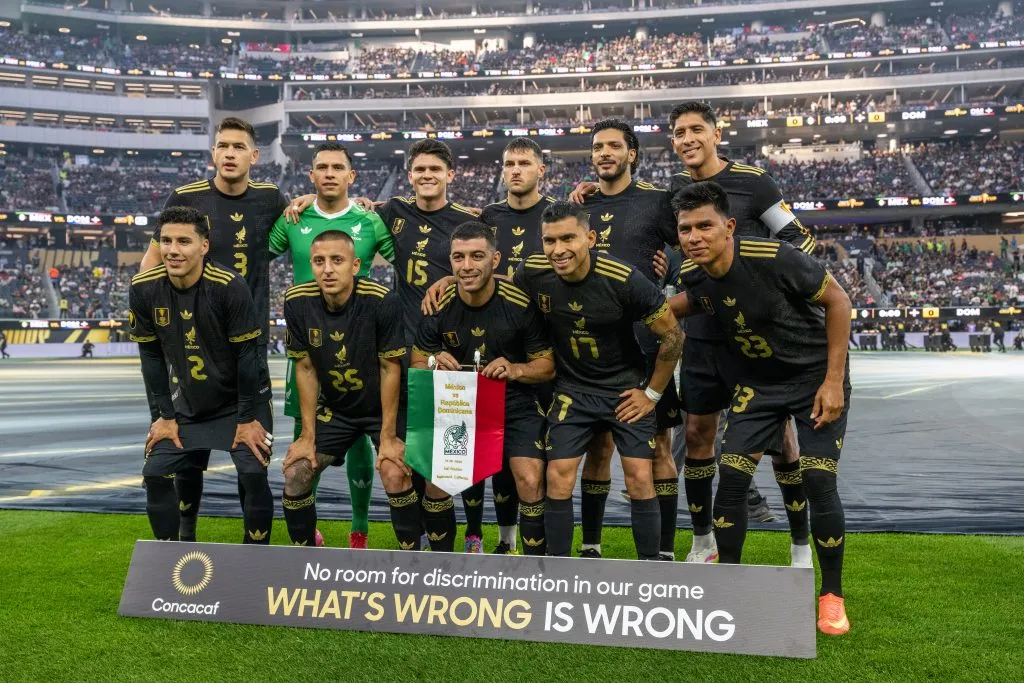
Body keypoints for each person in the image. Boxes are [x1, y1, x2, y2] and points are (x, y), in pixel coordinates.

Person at [668, 182, 852, 635]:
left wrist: (833, 381)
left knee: (818, 478)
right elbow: (683, 305)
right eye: (686, 229)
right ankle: (730, 589)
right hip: (758, 385)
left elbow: (839, 300)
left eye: (705, 226)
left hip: (813, 379)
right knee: (731, 476)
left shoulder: (776, 257)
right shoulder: (695, 274)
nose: (694, 237)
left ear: (729, 226)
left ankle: (831, 596)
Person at [667, 101, 820, 563]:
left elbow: (800, 238)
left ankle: (799, 545)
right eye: (679, 132)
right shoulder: (673, 190)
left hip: (754, 339)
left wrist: (758, 281)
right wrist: (591, 190)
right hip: (701, 334)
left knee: (782, 443)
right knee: (698, 435)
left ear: (716, 134)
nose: (688, 139)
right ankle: (703, 543)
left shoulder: (754, 182)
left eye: (697, 129)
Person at [138, 116, 287, 543]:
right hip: (192, 339)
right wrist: (151, 310)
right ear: (213, 153)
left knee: (249, 454)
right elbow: (152, 263)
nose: (229, 153)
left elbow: (306, 227)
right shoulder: (185, 198)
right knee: (187, 453)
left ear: (253, 156)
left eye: (238, 146)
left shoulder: (270, 198)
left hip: (246, 339)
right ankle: (185, 536)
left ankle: (252, 553)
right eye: (223, 145)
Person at [513, 201, 684, 560]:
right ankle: (558, 570)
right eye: (549, 240)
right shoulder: (532, 271)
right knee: (558, 475)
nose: (558, 249)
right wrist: (452, 279)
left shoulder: (623, 278)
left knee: (639, 476)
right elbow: (503, 295)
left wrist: (651, 394)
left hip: (625, 388)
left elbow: (672, 336)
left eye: (568, 238)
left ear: (590, 238)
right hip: (572, 389)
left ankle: (651, 570)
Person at [423, 137, 558, 553]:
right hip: (462, 399)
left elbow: (546, 364)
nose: (467, 265)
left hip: (517, 395)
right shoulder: (440, 298)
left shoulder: (522, 300)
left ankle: (535, 568)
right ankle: (446, 566)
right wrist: (433, 359)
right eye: (459, 258)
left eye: (477, 257)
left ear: (495, 260)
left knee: (530, 476)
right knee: (438, 481)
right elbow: (417, 357)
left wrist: (515, 369)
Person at [566, 119, 683, 560]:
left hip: (646, 344)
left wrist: (670, 268)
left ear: (631, 154)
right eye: (598, 147)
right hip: (590, 347)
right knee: (598, 447)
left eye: (614, 146)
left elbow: (691, 244)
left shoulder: (656, 201)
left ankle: (664, 551)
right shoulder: (580, 206)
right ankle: (591, 545)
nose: (604, 153)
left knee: (659, 447)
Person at [269, 141, 394, 550]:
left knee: (358, 440)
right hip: (308, 348)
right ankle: (309, 527)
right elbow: (251, 253)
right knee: (306, 437)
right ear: (311, 175)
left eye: (337, 167)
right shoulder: (293, 218)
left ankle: (359, 528)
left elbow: (410, 260)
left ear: (351, 176)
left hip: (358, 346)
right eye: (321, 167)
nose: (329, 174)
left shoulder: (369, 220)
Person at [128, 206, 275, 545]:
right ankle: (172, 553)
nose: (173, 250)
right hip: (188, 403)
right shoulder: (144, 287)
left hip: (240, 402)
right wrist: (164, 416)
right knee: (155, 473)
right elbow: (150, 356)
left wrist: (246, 420)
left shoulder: (229, 286)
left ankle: (255, 559)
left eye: (183, 241)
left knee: (253, 471)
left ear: (204, 246)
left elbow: (248, 357)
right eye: (166, 241)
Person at [281, 230, 421, 549]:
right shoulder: (297, 301)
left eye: (337, 260)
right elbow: (305, 369)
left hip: (381, 409)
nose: (328, 269)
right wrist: (306, 436)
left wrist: (388, 436)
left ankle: (413, 559)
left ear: (355, 265)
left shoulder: (381, 300)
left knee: (394, 471)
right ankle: (305, 560)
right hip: (337, 409)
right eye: (319, 261)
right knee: (296, 472)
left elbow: (390, 368)